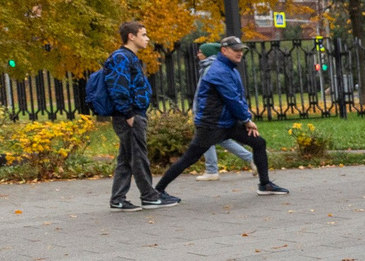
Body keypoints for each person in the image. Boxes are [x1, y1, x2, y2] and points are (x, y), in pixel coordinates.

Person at [155, 36, 288, 196]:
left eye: (241, 50)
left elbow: (239, 96)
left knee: (258, 143)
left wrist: (245, 116)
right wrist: (246, 120)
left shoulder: (230, 69)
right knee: (189, 158)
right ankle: (158, 190)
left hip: (227, 123)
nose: (239, 53)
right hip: (211, 125)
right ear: (224, 50)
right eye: (235, 50)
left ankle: (265, 185)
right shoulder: (218, 71)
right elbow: (231, 99)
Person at [99, 21, 173, 210]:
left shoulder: (128, 57)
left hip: (131, 113)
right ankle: (149, 196)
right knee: (138, 156)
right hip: (129, 115)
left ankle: (118, 199)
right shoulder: (121, 57)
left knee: (126, 158)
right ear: (131, 36)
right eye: (144, 35)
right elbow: (117, 87)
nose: (147, 39)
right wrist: (129, 113)